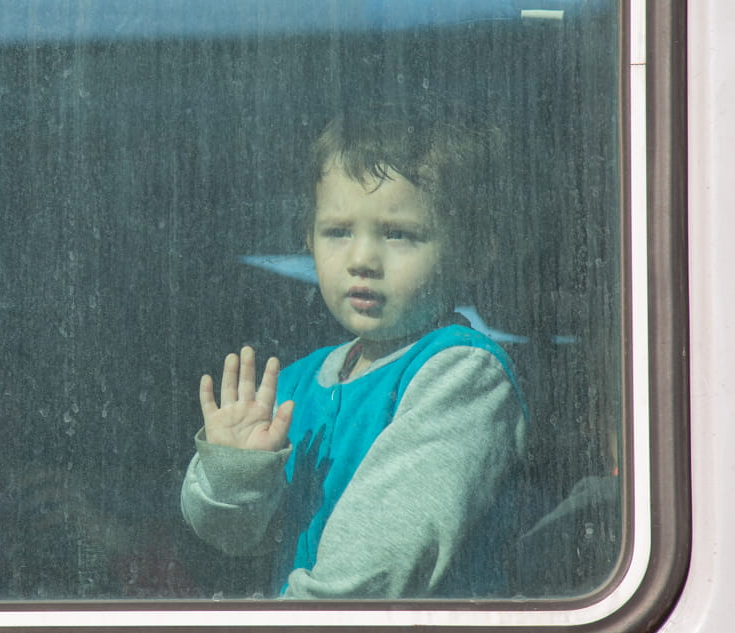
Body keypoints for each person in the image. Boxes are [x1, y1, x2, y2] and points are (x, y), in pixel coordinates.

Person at [181, 108, 527, 599]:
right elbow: (229, 539)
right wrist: (236, 472)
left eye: (399, 234)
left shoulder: (462, 374)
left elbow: (372, 573)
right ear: (309, 242)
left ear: (472, 252)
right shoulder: (295, 386)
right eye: (339, 231)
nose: (362, 259)